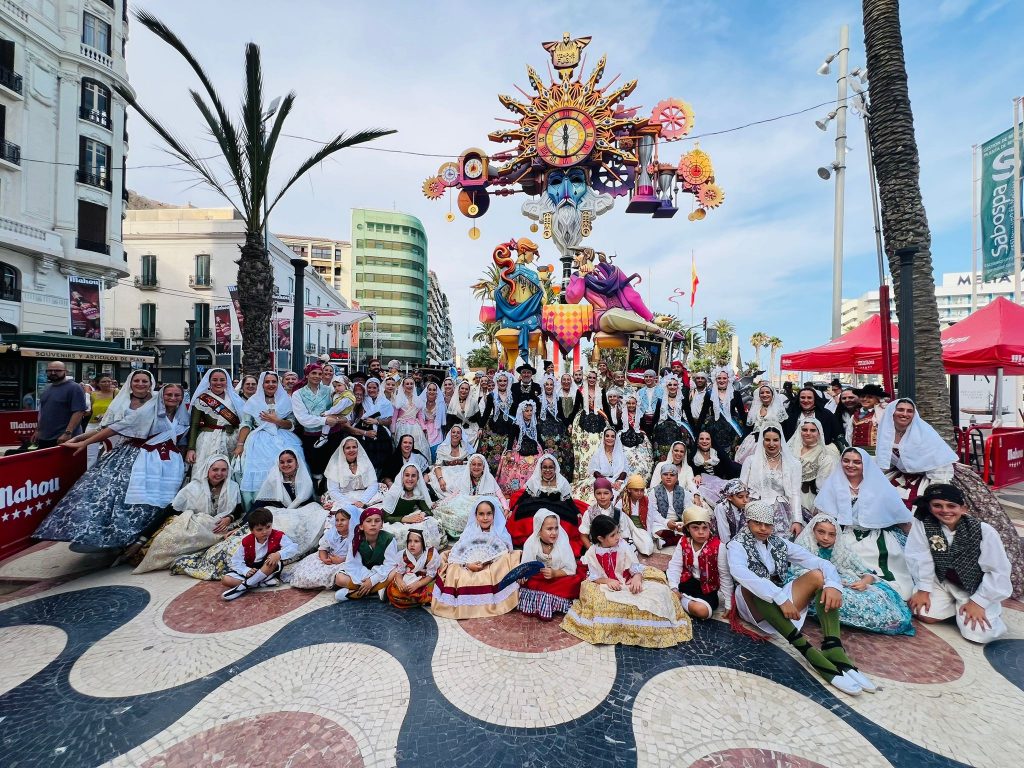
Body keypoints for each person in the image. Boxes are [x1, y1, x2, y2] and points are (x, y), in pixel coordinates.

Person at [877, 398, 1024, 594]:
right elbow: (887, 461)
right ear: (891, 413)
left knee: (928, 515)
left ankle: (952, 572)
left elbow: (940, 466)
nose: (904, 414)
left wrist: (934, 494)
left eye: (909, 411)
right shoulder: (886, 432)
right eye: (900, 410)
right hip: (904, 476)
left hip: (938, 475)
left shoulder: (923, 432)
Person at [726, 500, 874, 695]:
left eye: (768, 524)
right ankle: (807, 651)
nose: (763, 529)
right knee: (758, 586)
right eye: (757, 523)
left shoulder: (778, 543)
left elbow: (817, 562)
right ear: (748, 522)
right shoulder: (736, 545)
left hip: (781, 602)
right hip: (753, 603)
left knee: (819, 576)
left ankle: (833, 647)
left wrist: (833, 584)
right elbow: (740, 573)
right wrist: (779, 597)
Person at [35, 373, 188, 552]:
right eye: (169, 394)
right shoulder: (148, 410)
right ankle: (112, 536)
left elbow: (182, 440)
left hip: (168, 463)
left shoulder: (181, 415)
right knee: (124, 495)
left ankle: (143, 536)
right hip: (141, 457)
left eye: (177, 395)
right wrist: (83, 441)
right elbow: (114, 428)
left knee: (159, 500)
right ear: (161, 395)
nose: (173, 398)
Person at [562, 514, 692, 647]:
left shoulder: (622, 545)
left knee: (660, 593)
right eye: (613, 535)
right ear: (601, 538)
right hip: (605, 585)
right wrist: (607, 581)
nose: (618, 537)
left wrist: (637, 577)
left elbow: (634, 566)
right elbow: (594, 576)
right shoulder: (592, 552)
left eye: (617, 532)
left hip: (627, 580)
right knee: (603, 604)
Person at [905, 484, 1012, 643]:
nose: (945, 510)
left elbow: (998, 570)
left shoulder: (983, 531)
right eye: (937, 505)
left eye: (951, 506)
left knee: (980, 634)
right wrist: (924, 589)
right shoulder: (925, 524)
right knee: (923, 613)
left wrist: (979, 602)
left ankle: (978, 607)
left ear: (963, 509)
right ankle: (953, 606)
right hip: (943, 580)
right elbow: (920, 556)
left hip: (975, 586)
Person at [814, 447, 915, 599]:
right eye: (846, 461)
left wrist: (916, 542)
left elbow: (901, 517)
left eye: (856, 462)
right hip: (845, 536)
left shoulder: (880, 486)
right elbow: (820, 514)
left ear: (865, 464)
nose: (850, 465)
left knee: (887, 574)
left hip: (875, 539)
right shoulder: (834, 483)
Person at [792, 513, 914, 635]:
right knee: (840, 597)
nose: (825, 538)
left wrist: (864, 582)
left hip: (844, 582)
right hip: (817, 585)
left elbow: (867, 573)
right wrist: (832, 582)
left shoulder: (842, 551)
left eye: (831, 534)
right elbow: (798, 572)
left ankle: (885, 622)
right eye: (821, 532)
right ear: (812, 531)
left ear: (837, 536)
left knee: (874, 597)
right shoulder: (805, 548)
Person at [132, 453, 243, 573]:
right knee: (175, 537)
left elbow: (238, 509)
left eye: (223, 470)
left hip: (220, 527)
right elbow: (171, 509)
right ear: (207, 469)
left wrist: (229, 518)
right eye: (215, 469)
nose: (219, 473)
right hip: (197, 525)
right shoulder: (193, 487)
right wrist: (143, 538)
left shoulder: (233, 487)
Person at [432, 498, 521, 619]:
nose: (485, 518)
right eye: (481, 514)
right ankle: (467, 601)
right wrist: (468, 564)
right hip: (470, 564)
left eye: (489, 514)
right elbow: (459, 553)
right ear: (476, 516)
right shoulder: (469, 532)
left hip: (492, 563)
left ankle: (495, 597)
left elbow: (505, 550)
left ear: (494, 515)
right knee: (455, 569)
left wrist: (489, 560)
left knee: (508, 559)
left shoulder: (500, 532)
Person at [234, 371, 302, 509]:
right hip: (259, 439)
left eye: (274, 382)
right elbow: (246, 424)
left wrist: (276, 420)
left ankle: (286, 502)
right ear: (262, 384)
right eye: (267, 382)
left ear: (278, 383)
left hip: (282, 436)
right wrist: (240, 445)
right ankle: (260, 505)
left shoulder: (286, 400)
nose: (271, 384)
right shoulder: (253, 401)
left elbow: (292, 423)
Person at [518, 509, 585, 621]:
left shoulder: (562, 542)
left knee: (573, 581)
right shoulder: (531, 543)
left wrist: (555, 573)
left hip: (559, 577)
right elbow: (525, 566)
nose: (554, 532)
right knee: (529, 582)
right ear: (539, 530)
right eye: (549, 529)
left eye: (556, 528)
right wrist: (523, 576)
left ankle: (552, 600)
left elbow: (571, 569)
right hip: (540, 577)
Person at [221, 507, 299, 601]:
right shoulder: (247, 541)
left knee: (271, 561)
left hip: (268, 569)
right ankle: (259, 583)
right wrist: (246, 570)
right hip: (252, 571)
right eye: (259, 529)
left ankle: (243, 587)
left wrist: (278, 554)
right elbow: (236, 560)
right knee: (226, 579)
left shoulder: (278, 535)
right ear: (251, 530)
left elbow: (293, 547)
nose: (265, 531)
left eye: (268, 527)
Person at [740, 424, 803, 537]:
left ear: (781, 441)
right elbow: (742, 488)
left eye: (775, 440)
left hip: (781, 510)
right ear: (762, 441)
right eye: (767, 440)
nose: (771, 444)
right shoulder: (751, 461)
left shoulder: (793, 464)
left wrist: (797, 520)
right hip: (754, 507)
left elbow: (795, 494)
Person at [507, 453, 583, 546]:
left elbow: (568, 499)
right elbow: (525, 496)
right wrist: (513, 509)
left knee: (570, 517)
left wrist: (577, 512)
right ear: (541, 468)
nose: (548, 470)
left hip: (556, 506)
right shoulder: (535, 480)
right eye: (545, 467)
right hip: (537, 505)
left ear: (555, 468)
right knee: (522, 511)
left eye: (551, 467)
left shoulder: (562, 481)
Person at [291, 363, 345, 483]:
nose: (317, 376)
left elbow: (340, 406)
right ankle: (317, 493)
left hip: (333, 435)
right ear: (307, 375)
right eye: (314, 373)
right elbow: (302, 418)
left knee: (333, 466)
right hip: (312, 436)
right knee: (316, 467)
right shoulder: (298, 394)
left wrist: (343, 418)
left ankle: (330, 494)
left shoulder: (329, 390)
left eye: (320, 374)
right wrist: (325, 420)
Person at [666, 506, 721, 619]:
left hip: (707, 588)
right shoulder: (684, 541)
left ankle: (680, 600)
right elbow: (675, 566)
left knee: (702, 612)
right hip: (686, 581)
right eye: (695, 528)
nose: (701, 532)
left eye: (704, 528)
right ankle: (676, 596)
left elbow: (724, 575)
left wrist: (729, 604)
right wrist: (674, 588)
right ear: (687, 529)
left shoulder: (718, 546)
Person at [334, 507, 400, 601]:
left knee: (395, 571)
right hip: (363, 574)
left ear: (381, 525)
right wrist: (368, 580)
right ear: (361, 526)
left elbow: (390, 564)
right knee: (339, 578)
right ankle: (377, 590)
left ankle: (355, 594)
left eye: (377, 521)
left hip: (381, 573)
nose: (373, 524)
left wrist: (373, 580)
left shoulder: (388, 539)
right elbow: (353, 565)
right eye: (368, 521)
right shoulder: (356, 541)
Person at [186, 368, 245, 472]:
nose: (218, 383)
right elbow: (194, 424)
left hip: (233, 439)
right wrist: (191, 448)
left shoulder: (235, 398)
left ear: (227, 381)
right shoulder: (202, 399)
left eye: (222, 380)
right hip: (209, 440)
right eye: (215, 380)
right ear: (209, 382)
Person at [580, 477, 654, 555]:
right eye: (598, 493)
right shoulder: (589, 513)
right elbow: (583, 535)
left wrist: (615, 551)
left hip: (615, 548)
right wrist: (593, 552)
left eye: (606, 493)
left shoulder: (618, 513)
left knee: (631, 554)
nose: (602, 497)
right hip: (595, 549)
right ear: (594, 494)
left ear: (611, 494)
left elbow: (624, 535)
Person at [284, 506, 351, 589]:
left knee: (339, 576)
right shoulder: (331, 533)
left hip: (347, 561)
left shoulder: (355, 536)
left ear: (351, 521)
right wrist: (324, 559)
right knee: (306, 573)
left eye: (343, 520)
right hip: (329, 558)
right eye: (337, 520)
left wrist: (341, 560)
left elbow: (358, 555)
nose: (339, 523)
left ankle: (340, 584)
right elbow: (323, 548)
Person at [789, 418, 839, 520]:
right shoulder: (790, 450)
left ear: (819, 433)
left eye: (812, 430)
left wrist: (819, 506)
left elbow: (825, 486)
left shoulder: (825, 455)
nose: (808, 433)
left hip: (808, 498)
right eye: (804, 430)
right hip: (787, 495)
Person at [31, 361, 88, 449]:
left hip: (64, 439)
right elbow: (43, 412)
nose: (53, 373)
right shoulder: (47, 388)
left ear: (65, 371)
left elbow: (78, 412)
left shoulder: (74, 388)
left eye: (57, 370)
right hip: (45, 438)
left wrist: (68, 433)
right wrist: (38, 430)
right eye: (50, 370)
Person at [385, 522, 442, 609]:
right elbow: (399, 572)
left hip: (425, 580)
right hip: (409, 577)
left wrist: (417, 584)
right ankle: (416, 600)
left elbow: (431, 575)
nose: (412, 544)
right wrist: (400, 582)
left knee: (435, 590)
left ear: (423, 543)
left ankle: (419, 599)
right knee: (395, 591)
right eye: (409, 541)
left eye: (416, 541)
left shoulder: (431, 555)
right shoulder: (403, 554)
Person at [496, 400, 543, 496]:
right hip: (518, 448)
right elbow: (511, 438)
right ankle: (517, 488)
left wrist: (545, 449)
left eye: (531, 410)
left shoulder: (534, 423)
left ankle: (534, 488)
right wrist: (509, 451)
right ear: (522, 412)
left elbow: (539, 438)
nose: (529, 413)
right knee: (515, 464)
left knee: (538, 461)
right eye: (527, 411)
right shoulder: (516, 424)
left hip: (533, 448)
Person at [570, 370, 608, 488]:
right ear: (587, 379)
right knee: (584, 451)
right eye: (590, 378)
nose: (592, 380)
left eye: (594, 378)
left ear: (596, 379)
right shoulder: (580, 391)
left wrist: (611, 424)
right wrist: (570, 424)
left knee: (598, 449)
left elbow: (605, 407)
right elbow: (575, 408)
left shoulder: (602, 391)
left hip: (599, 420)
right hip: (583, 421)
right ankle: (583, 478)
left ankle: (600, 477)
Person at [475, 371, 517, 476]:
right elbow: (486, 412)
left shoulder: (514, 395)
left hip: (509, 428)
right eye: (500, 381)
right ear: (496, 382)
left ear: (508, 382)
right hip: (494, 427)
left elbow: (516, 414)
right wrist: (480, 427)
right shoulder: (491, 396)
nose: (502, 383)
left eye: (504, 381)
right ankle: (491, 477)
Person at [324, 436, 382, 512]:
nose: (351, 450)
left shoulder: (365, 463)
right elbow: (333, 491)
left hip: (365, 495)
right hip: (343, 497)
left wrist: (362, 501)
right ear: (343, 450)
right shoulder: (335, 466)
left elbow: (373, 484)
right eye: (348, 448)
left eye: (354, 447)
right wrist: (350, 503)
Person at [736, 383, 789, 463]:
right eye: (762, 393)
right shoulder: (755, 410)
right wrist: (740, 443)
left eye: (768, 392)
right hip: (753, 443)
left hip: (771, 443)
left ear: (772, 394)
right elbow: (748, 428)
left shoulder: (779, 410)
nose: (765, 395)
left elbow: (785, 430)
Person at [689, 430, 740, 508]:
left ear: (711, 441)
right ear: (697, 441)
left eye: (707, 439)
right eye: (701, 439)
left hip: (721, 485)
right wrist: (697, 475)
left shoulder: (718, 454)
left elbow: (730, 470)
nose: (704, 441)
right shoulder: (692, 457)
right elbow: (689, 473)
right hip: (703, 489)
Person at [380, 463, 433, 537]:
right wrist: (405, 519)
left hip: (407, 521)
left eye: (413, 476)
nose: (410, 479)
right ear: (402, 477)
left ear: (418, 478)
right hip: (392, 522)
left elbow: (428, 511)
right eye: (407, 475)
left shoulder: (417, 493)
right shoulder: (394, 493)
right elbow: (384, 517)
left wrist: (423, 514)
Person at [536, 374, 574, 479]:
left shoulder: (558, 399)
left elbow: (561, 415)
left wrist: (569, 424)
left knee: (565, 447)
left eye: (551, 385)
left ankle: (561, 477)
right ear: (543, 386)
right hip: (542, 428)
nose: (549, 386)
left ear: (554, 386)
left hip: (557, 427)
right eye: (546, 384)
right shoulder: (538, 399)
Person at [650, 375, 694, 462]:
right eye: (670, 385)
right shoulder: (660, 400)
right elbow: (656, 417)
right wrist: (650, 431)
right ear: (666, 386)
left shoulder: (682, 400)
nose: (672, 387)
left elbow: (689, 416)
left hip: (679, 426)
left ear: (678, 386)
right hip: (663, 427)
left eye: (675, 385)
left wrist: (694, 430)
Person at [645, 464, 689, 549]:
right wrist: (666, 522)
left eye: (672, 475)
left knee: (690, 529)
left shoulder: (683, 492)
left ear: (676, 478)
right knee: (655, 529)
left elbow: (687, 510)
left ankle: (665, 542)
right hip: (661, 522)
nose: (668, 477)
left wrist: (683, 524)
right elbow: (653, 512)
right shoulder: (654, 492)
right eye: (665, 474)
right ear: (661, 476)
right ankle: (677, 537)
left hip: (679, 522)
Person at [707, 367, 747, 457]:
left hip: (732, 430)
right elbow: (703, 413)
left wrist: (747, 431)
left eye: (724, 378)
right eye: (719, 378)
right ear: (715, 379)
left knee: (730, 457)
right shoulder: (710, 394)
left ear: (729, 379)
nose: (722, 380)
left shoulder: (735, 394)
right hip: (714, 429)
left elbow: (742, 414)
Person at [83, 373, 117, 467]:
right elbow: (90, 411)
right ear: (98, 383)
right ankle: (89, 475)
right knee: (90, 454)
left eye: (109, 381)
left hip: (111, 426)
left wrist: (106, 415)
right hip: (94, 424)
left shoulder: (117, 393)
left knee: (111, 451)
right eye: (104, 381)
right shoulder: (93, 395)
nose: (107, 383)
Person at [312, 375, 356, 449]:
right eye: (335, 386)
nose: (337, 388)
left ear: (345, 385)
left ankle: (324, 436)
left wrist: (327, 412)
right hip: (339, 414)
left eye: (339, 385)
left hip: (345, 416)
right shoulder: (339, 394)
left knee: (327, 419)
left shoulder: (347, 397)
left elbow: (338, 408)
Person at [619, 392, 655, 480]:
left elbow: (645, 428)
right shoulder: (621, 415)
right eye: (629, 403)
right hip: (624, 437)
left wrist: (642, 433)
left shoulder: (641, 415)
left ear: (636, 404)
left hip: (639, 438)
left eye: (633, 403)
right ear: (625, 404)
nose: (631, 405)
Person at [849, 383, 887, 454]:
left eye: (870, 397)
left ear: (877, 399)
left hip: (875, 452)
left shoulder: (881, 413)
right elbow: (849, 435)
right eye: (862, 396)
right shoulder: (854, 415)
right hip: (856, 452)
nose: (865, 399)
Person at [446, 380, 480, 450]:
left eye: (466, 389)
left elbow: (478, 417)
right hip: (457, 428)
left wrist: (480, 429)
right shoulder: (453, 402)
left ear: (469, 391)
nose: (464, 391)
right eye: (462, 388)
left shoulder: (473, 402)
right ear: (458, 389)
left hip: (471, 428)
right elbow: (449, 419)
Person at [420, 380, 447, 461]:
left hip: (436, 428)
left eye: (434, 390)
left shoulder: (441, 404)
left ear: (437, 392)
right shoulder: (421, 402)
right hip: (423, 428)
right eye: (430, 389)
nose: (432, 391)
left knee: (435, 451)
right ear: (426, 391)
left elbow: (443, 420)